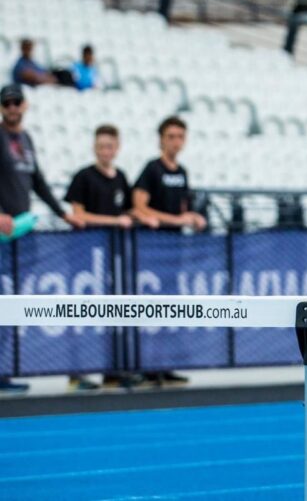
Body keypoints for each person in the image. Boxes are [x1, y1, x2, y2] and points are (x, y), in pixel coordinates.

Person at [64, 124, 153, 391]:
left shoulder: (121, 178)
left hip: (113, 257)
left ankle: (112, 370)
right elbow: (78, 215)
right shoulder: (83, 177)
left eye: (110, 146)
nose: (105, 150)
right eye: (101, 146)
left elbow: (128, 210)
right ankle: (76, 373)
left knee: (114, 313)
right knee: (81, 314)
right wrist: (114, 221)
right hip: (84, 256)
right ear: (94, 147)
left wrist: (145, 217)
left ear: (117, 148)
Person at [0, 83, 73, 395]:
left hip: (22, 233)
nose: (13, 107)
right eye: (8, 103)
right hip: (2, 234)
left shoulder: (26, 139)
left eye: (17, 102)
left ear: (25, 105)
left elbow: (39, 181)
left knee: (11, 306)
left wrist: (64, 212)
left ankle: (3, 372)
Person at [132, 116, 206, 387]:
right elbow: (139, 207)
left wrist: (193, 218)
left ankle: (164, 365)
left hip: (175, 251)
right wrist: (174, 221)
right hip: (152, 250)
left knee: (169, 309)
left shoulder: (182, 171)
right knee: (149, 308)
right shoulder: (152, 169)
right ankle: (146, 366)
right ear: (161, 139)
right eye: (171, 136)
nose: (176, 141)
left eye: (180, 136)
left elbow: (182, 209)